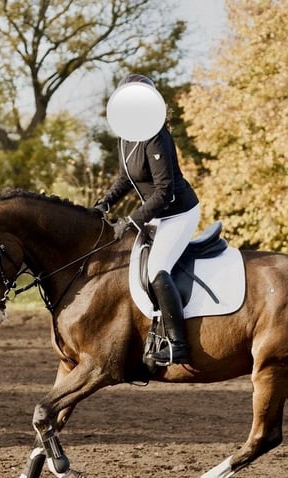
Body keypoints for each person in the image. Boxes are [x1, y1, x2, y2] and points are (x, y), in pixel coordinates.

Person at [94, 74, 200, 366]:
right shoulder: (126, 137)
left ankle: (178, 343)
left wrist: (132, 220)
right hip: (155, 214)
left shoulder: (156, 136)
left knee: (156, 269)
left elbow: (165, 191)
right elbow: (124, 179)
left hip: (178, 213)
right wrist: (103, 203)